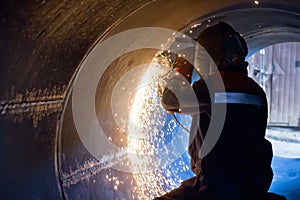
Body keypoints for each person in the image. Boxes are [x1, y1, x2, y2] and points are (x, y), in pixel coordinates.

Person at [154, 22, 286, 200]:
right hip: (252, 185)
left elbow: (170, 101)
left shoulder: (215, 85)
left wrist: (183, 65)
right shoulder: (255, 90)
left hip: (216, 186)